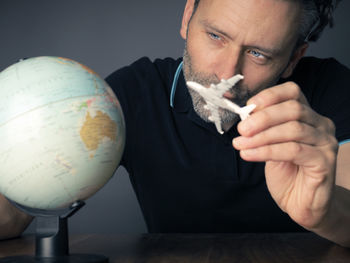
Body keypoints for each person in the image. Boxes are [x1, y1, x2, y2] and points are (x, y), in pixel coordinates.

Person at [1, 0, 349, 247]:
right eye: (215, 36)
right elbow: (8, 219)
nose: (226, 73)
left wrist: (324, 212)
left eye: (259, 54)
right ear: (187, 17)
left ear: (292, 60)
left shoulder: (330, 93)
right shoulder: (133, 93)